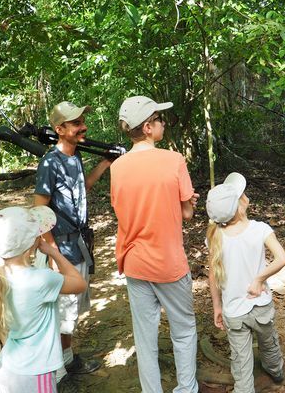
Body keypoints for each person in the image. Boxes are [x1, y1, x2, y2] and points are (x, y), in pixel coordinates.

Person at [110, 95, 200, 393]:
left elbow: (124, 209)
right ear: (148, 127)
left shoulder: (117, 167)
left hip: (135, 262)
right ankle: (187, 389)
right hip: (168, 262)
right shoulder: (173, 160)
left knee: (144, 337)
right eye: (160, 119)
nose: (164, 123)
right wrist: (186, 203)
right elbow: (187, 213)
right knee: (184, 330)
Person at [33, 101, 111, 389]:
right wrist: (52, 253)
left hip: (78, 245)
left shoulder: (75, 157)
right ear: (60, 129)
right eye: (76, 123)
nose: (83, 127)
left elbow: (83, 188)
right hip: (62, 250)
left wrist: (104, 163)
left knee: (71, 311)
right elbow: (40, 210)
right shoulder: (49, 163)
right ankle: (57, 376)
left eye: (82, 121)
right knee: (62, 313)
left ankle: (66, 359)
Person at [0, 205, 87, 393]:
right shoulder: (41, 279)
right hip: (36, 372)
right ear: (32, 244)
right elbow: (79, 283)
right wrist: (53, 252)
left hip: (8, 369)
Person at [205, 172, 285, 392]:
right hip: (261, 306)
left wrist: (217, 307)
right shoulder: (259, 229)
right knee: (269, 344)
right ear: (240, 205)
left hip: (233, 311)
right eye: (242, 194)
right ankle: (276, 371)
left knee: (240, 362)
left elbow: (212, 275)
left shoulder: (214, 236)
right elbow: (282, 258)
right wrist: (260, 279)